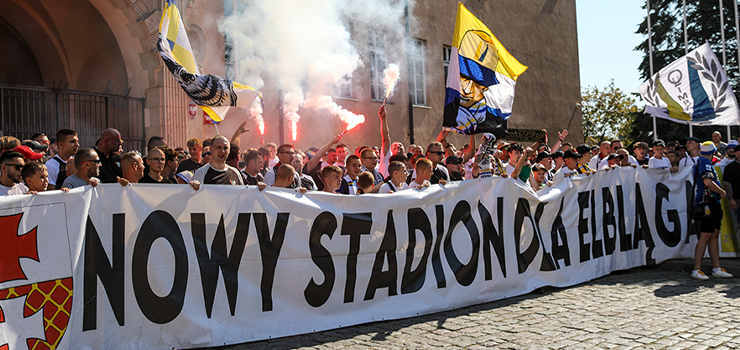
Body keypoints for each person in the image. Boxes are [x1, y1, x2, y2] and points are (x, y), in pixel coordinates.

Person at [692, 141, 732, 280]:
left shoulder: (702, 161)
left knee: (714, 234)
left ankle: (716, 267)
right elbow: (708, 182)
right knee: (705, 235)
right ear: (713, 152)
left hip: (712, 202)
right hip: (707, 202)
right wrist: (722, 192)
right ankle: (696, 269)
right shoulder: (704, 162)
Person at [190, 135, 257, 190]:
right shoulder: (201, 173)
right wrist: (193, 188)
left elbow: (243, 195)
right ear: (211, 149)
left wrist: (259, 189)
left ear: (229, 150)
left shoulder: (235, 173)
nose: (222, 151)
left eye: (225, 148)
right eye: (218, 147)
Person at [722, 141, 740, 230]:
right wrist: (731, 199)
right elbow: (726, 184)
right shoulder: (730, 167)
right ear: (736, 154)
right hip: (738, 199)